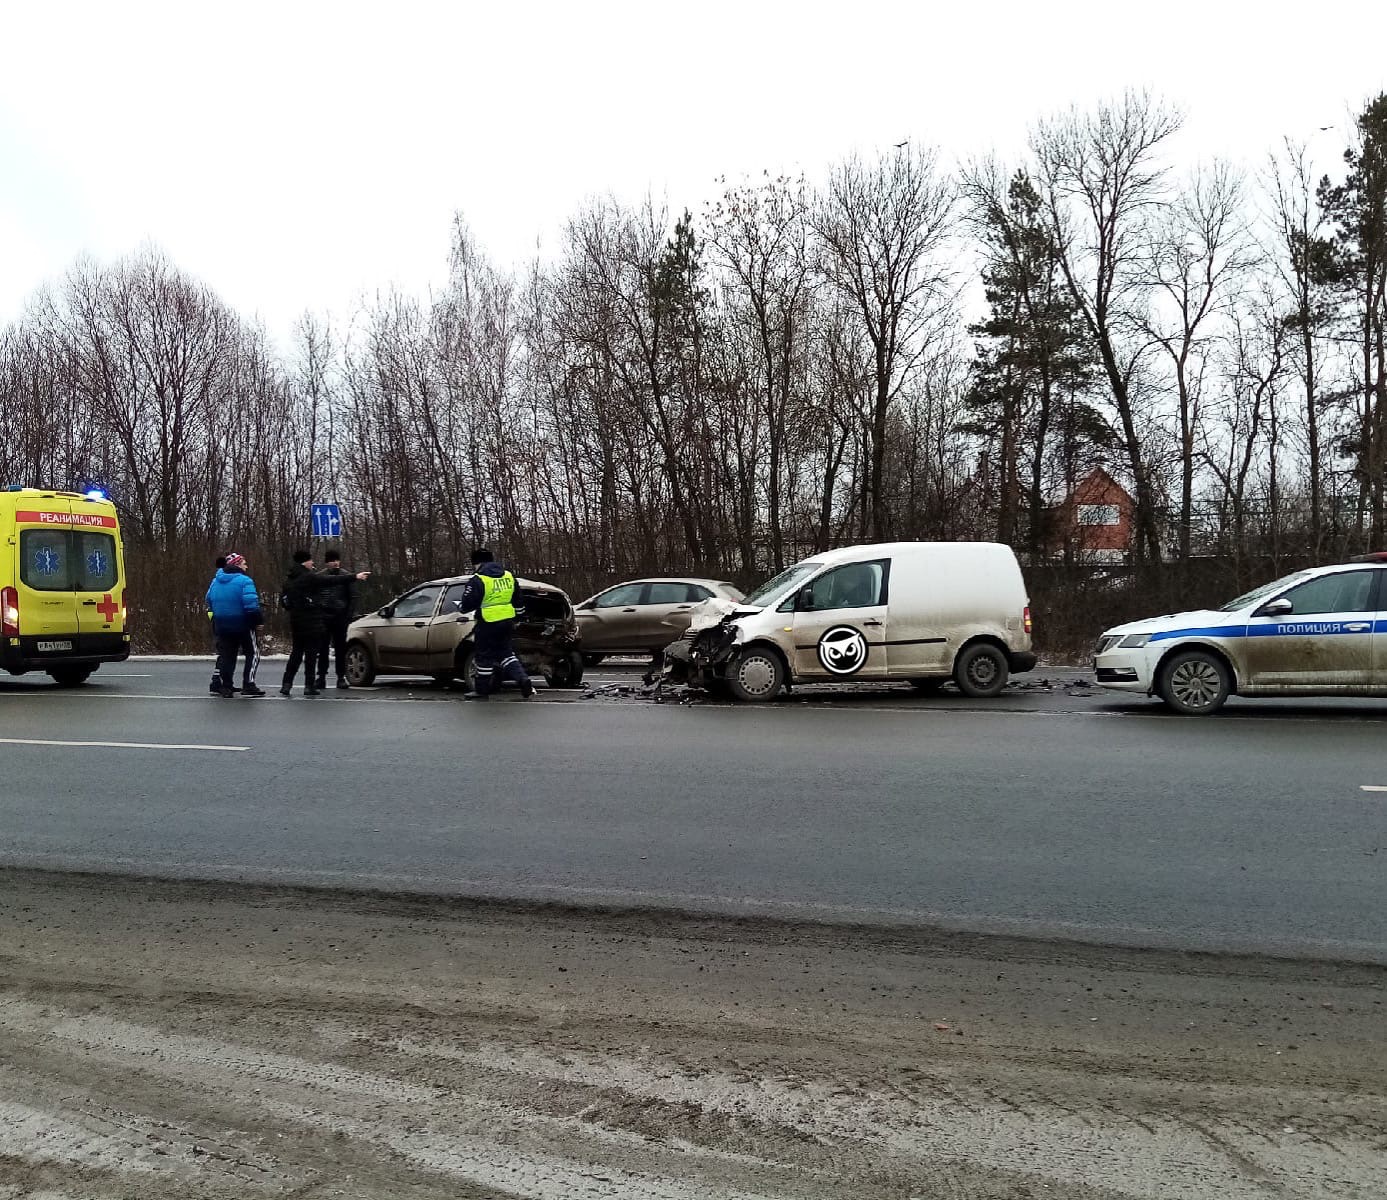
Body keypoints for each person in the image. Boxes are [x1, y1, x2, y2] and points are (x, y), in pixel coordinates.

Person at [280, 549, 369, 697]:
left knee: (296, 653)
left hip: (297, 621)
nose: (313, 562)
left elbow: (284, 601)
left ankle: (287, 684)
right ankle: (310, 685)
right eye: (310, 560)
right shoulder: (310, 577)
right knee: (312, 653)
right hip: (314, 621)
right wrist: (355, 576)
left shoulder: (289, 580)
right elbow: (330, 581)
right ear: (305, 562)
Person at [460, 547, 534, 701]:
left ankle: (481, 691)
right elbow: (519, 601)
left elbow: (467, 604)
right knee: (506, 654)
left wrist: (462, 607)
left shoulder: (479, 579)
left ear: (477, 563)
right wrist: (520, 617)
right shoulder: (508, 576)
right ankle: (523, 680)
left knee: (484, 657)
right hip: (507, 622)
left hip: (487, 622)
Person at [205, 552, 265, 697]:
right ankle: (248, 684)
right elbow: (251, 605)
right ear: (237, 564)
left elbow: (209, 600)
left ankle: (226, 686)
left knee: (227, 656)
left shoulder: (215, 581)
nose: (247, 566)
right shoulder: (244, 581)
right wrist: (258, 621)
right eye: (244, 563)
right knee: (253, 653)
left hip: (222, 624)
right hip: (242, 623)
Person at [315, 548, 356, 690]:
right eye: (332, 561)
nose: (335, 563)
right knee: (322, 648)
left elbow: (352, 597)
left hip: (340, 616)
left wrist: (348, 616)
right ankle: (321, 676)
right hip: (324, 616)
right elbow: (316, 597)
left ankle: (341, 676)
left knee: (340, 648)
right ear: (327, 563)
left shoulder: (346, 576)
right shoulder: (320, 577)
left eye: (337, 560)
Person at [208, 555, 228, 695]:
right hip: (224, 620)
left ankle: (218, 679)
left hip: (216, 619)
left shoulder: (215, 580)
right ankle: (217, 681)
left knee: (224, 651)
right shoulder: (222, 581)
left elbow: (208, 598)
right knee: (225, 652)